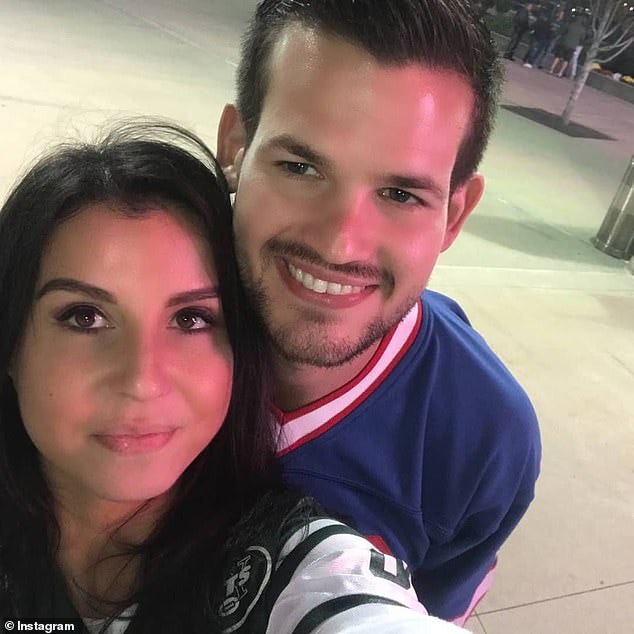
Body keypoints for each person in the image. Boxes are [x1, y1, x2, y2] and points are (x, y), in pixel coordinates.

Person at [0, 122, 467, 633]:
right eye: (84, 317)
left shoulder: (294, 567)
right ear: (12, 343)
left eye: (190, 319)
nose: (141, 380)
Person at [217, 0, 541, 625]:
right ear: (235, 147)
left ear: (454, 214)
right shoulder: (130, 322)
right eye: (300, 167)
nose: (341, 243)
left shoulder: (483, 441)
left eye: (399, 194)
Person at [549, 14, 588, 78]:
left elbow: (563, 32)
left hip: (564, 43)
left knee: (558, 56)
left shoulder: (570, 25)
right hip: (572, 46)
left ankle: (551, 69)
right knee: (566, 60)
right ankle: (560, 73)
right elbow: (582, 39)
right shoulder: (583, 30)